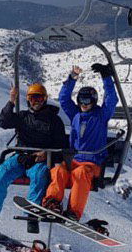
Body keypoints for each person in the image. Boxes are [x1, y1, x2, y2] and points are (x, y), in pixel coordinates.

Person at [0, 81, 68, 233]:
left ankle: (32, 214)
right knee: (1, 175)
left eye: (39, 98)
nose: (36, 102)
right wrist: (11, 100)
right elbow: (2, 122)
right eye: (32, 98)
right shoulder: (23, 116)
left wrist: (45, 154)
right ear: (28, 100)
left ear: (45, 99)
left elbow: (61, 145)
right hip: (21, 157)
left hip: (40, 160)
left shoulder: (54, 120)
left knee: (39, 177)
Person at [44, 63, 118, 223]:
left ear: (94, 101)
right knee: (59, 170)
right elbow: (64, 99)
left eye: (87, 101)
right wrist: (72, 78)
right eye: (81, 101)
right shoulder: (76, 114)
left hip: (92, 165)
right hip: (73, 162)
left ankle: (73, 212)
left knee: (80, 173)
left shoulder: (101, 116)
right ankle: (52, 203)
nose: (84, 105)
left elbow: (112, 99)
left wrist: (106, 76)